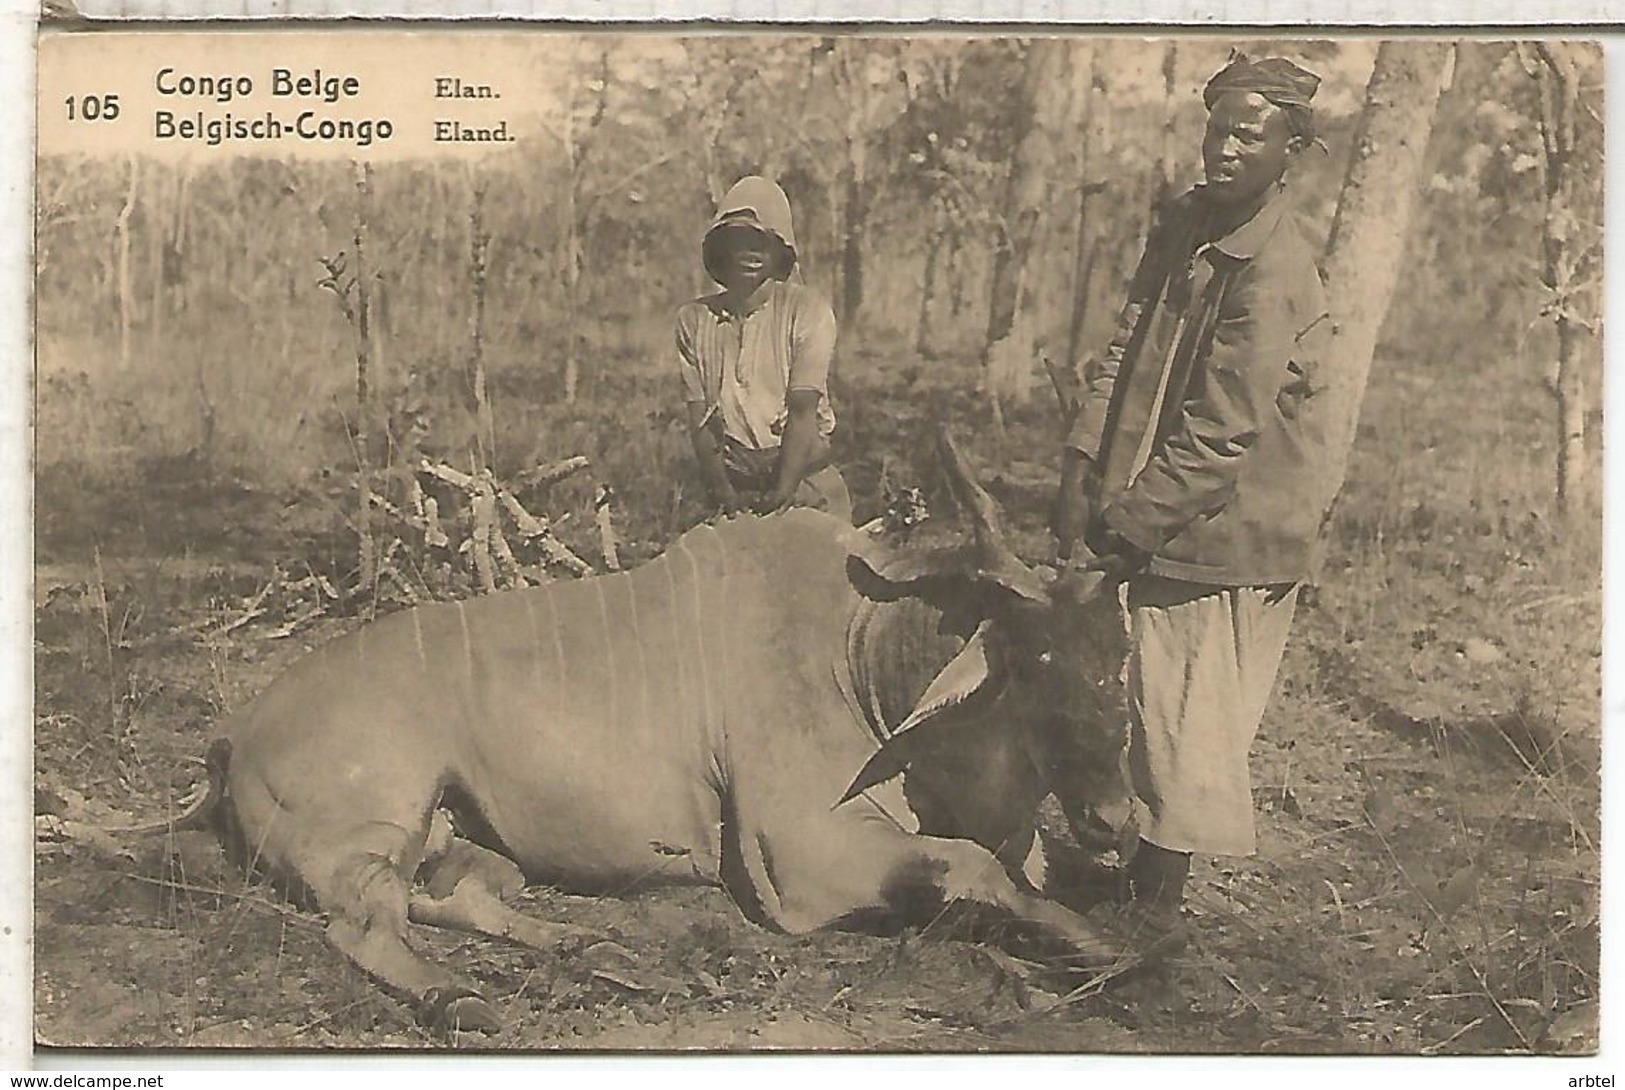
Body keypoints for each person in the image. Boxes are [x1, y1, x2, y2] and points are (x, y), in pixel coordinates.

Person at [1052, 54, 1338, 952]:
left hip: (1232, 526)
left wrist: (1128, 528)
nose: (1225, 148)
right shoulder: (1184, 223)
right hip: (1166, 502)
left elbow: (1223, 431)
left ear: (1289, 152)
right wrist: (1080, 478)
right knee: (1157, 704)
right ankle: (1146, 878)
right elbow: (1124, 348)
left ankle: (1157, 917)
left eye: (1249, 135)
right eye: (1217, 128)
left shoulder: (1275, 265)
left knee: (1186, 712)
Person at [676, 176, 852, 523]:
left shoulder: (807, 311)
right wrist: (723, 493)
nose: (750, 253)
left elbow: (802, 411)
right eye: (738, 241)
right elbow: (700, 419)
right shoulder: (695, 320)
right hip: (733, 488)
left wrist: (783, 491)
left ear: (780, 249)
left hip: (802, 482)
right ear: (720, 249)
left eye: (761, 241)